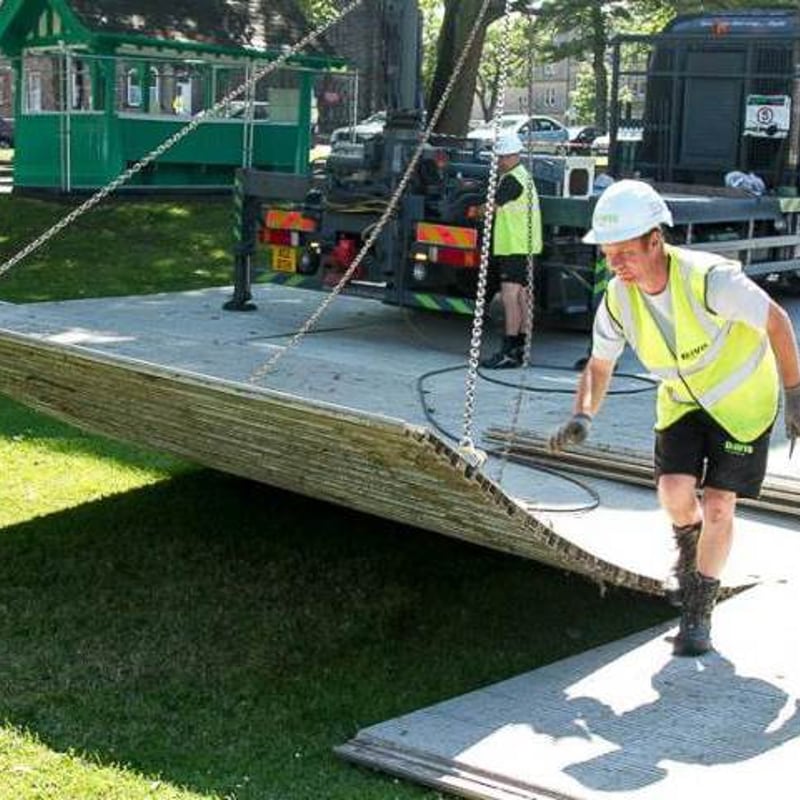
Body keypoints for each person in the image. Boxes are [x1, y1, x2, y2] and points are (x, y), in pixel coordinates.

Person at [549, 179, 800, 657]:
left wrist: (796, 393)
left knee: (720, 505)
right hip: (683, 402)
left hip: (740, 404)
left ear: (655, 240)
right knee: (673, 492)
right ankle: (689, 551)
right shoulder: (618, 299)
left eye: (625, 252)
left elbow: (776, 321)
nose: (615, 264)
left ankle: (698, 611)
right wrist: (583, 415)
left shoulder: (711, 280)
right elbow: (600, 364)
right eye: (607, 253)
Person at [480, 131, 543, 369]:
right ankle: (522, 348)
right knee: (523, 297)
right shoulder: (523, 176)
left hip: (514, 247)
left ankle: (508, 350)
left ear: (507, 156)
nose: (496, 163)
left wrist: (474, 210)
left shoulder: (511, 180)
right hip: (526, 246)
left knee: (510, 297)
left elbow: (492, 208)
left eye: (498, 158)